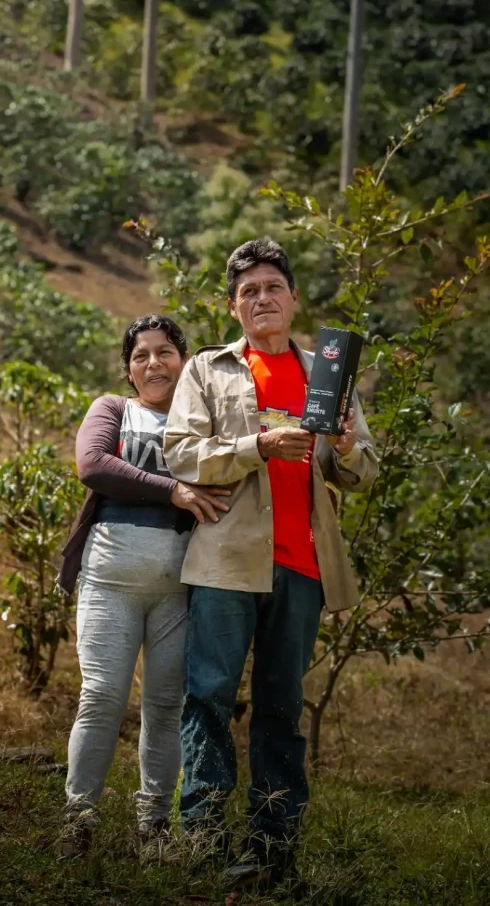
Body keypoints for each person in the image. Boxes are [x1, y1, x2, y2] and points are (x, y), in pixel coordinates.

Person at [163, 239, 378, 889]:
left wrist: (341, 443)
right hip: (226, 561)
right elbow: (180, 453)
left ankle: (272, 847)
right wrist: (257, 444)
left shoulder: (326, 374)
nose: (261, 298)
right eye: (248, 290)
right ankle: (200, 840)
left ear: (293, 299)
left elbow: (362, 468)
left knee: (281, 708)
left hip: (303, 566)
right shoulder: (208, 369)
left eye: (271, 287)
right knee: (208, 698)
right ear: (233, 306)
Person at [57, 315, 230, 857]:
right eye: (140, 356)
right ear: (129, 370)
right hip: (110, 579)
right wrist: (172, 491)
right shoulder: (114, 409)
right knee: (100, 697)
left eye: (164, 352)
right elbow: (93, 464)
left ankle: (153, 825)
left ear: (184, 360)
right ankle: (78, 818)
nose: (153, 363)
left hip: (180, 587)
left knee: (163, 705)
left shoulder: (202, 421)